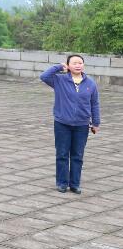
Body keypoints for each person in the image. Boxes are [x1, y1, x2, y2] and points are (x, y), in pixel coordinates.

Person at [40, 55, 101, 194]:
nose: (78, 65)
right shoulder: (59, 80)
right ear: (68, 65)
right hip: (62, 123)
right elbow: (44, 76)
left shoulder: (90, 83)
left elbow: (94, 104)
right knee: (62, 154)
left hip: (82, 125)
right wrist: (58, 67)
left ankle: (75, 184)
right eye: (74, 63)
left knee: (77, 155)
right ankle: (62, 183)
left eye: (80, 63)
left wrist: (96, 122)